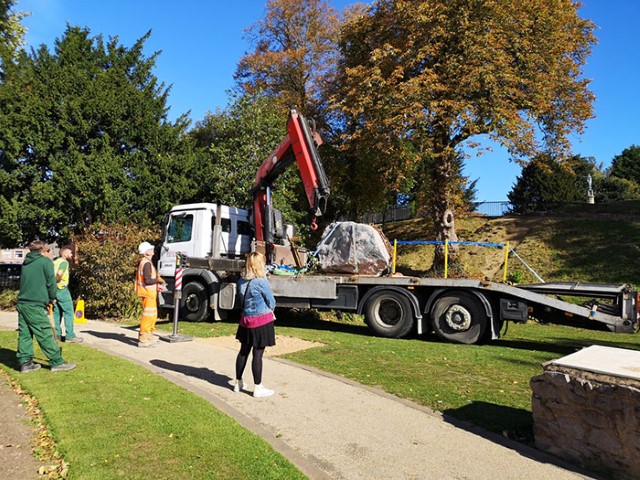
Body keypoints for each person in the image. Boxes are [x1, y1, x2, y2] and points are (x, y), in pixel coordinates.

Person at [16, 241, 76, 373]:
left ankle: (25, 363)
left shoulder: (26, 263)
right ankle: (57, 362)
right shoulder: (45, 262)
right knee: (45, 333)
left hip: (22, 303)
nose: (52, 253)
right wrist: (52, 298)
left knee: (25, 334)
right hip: (35, 304)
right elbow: (51, 282)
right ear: (43, 251)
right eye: (49, 251)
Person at [233, 251, 276, 398]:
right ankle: (258, 387)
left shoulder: (241, 282)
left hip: (245, 321)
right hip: (260, 321)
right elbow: (272, 302)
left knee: (243, 351)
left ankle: (238, 382)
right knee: (257, 354)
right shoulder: (261, 282)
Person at [135, 241, 166, 348]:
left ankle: (149, 336)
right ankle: (144, 339)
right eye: (150, 249)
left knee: (152, 315)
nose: (152, 251)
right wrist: (157, 281)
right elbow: (148, 280)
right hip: (148, 293)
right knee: (148, 317)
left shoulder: (145, 262)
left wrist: (157, 285)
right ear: (146, 252)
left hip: (149, 293)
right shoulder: (146, 263)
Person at [53, 246, 82, 343]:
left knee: (57, 312)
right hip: (62, 289)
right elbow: (59, 274)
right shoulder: (64, 262)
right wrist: (57, 281)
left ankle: (57, 334)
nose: (72, 255)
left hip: (54, 290)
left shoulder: (55, 262)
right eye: (70, 253)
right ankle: (70, 335)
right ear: (64, 254)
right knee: (69, 312)